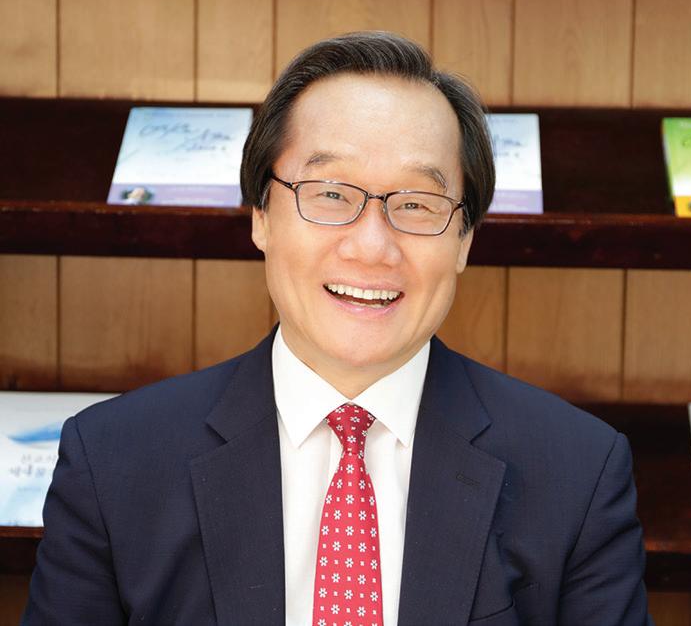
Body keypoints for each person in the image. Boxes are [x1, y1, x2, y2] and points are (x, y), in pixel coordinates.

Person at [24, 32, 652, 625]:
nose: (372, 247)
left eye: (417, 203)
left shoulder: (578, 473)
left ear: (464, 240)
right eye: (330, 194)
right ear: (261, 216)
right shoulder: (113, 462)